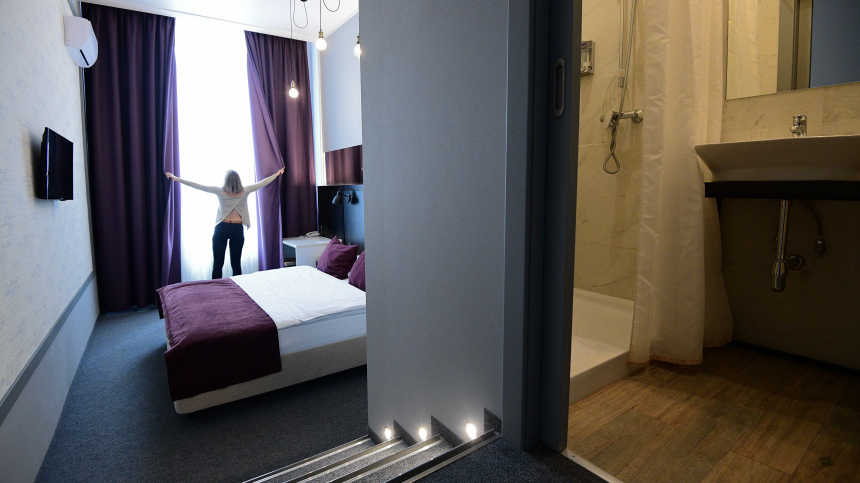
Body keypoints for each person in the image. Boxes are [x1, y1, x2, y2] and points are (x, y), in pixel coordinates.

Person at [165, 168, 284, 279]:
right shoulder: (245, 190)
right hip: (237, 229)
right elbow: (263, 183)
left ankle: (216, 291)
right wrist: (277, 174)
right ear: (238, 180)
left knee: (217, 264)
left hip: (221, 228)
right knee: (236, 264)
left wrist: (176, 178)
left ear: (226, 181)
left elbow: (197, 186)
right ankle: (237, 290)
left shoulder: (219, 191)